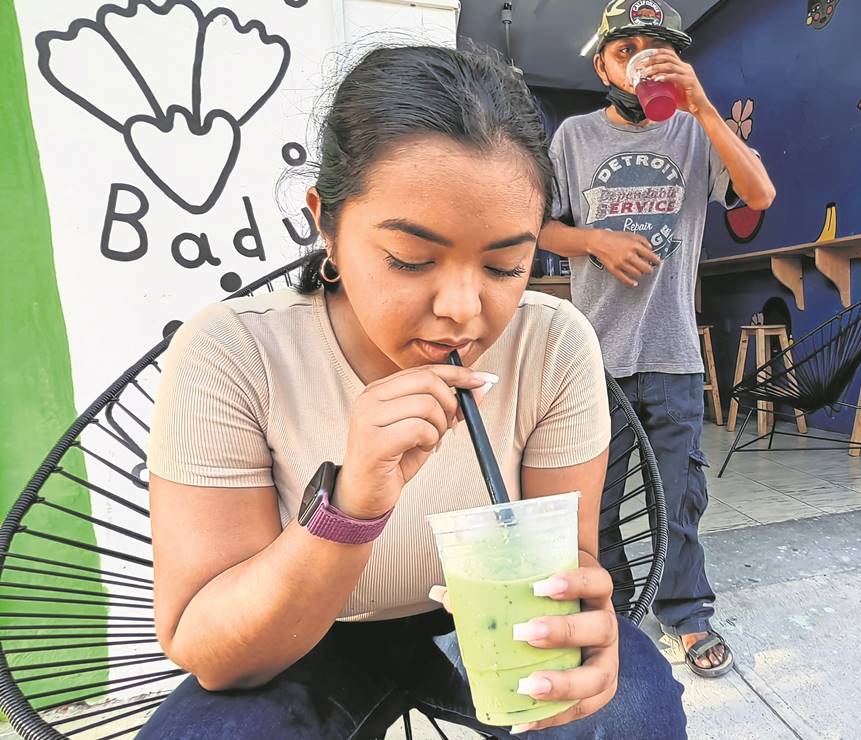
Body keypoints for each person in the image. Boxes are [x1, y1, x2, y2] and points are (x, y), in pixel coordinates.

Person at [139, 45, 686, 740]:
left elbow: (569, 559)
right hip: (307, 630)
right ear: (325, 225)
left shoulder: (551, 344)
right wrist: (347, 510)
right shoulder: (236, 353)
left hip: (488, 612)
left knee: (623, 711)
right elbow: (210, 649)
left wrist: (584, 603)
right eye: (411, 259)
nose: (462, 307)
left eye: (505, 265)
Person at [538, 0, 776, 678]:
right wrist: (593, 240)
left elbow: (758, 195)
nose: (645, 58)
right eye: (628, 49)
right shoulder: (573, 137)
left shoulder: (698, 133)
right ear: (602, 64)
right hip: (594, 361)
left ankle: (686, 612)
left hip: (671, 354)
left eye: (660, 46)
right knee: (602, 500)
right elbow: (537, 227)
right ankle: (611, 615)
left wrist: (703, 107)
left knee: (676, 497)